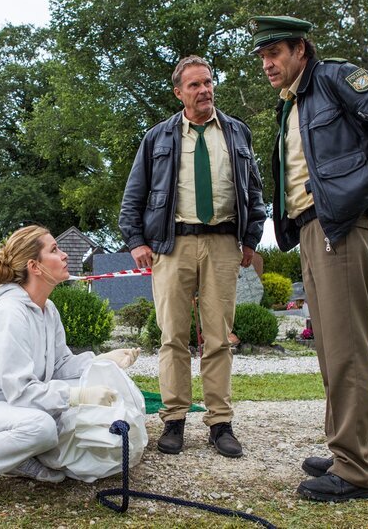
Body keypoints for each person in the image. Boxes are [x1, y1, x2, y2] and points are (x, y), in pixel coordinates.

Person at [247, 16, 368, 501]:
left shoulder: (333, 79)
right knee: (331, 351)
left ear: (301, 49)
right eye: (263, 56)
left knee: (345, 351)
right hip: (312, 229)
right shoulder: (296, 102)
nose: (268, 63)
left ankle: (356, 469)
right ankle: (356, 451)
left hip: (339, 228)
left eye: (276, 53)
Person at [119, 55, 266, 458]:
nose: (204, 90)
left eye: (208, 82)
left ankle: (221, 423)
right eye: (195, 85)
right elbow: (134, 196)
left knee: (219, 339)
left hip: (223, 244)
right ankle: (174, 420)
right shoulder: (157, 138)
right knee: (173, 337)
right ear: (179, 92)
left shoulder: (237, 133)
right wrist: (136, 241)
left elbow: (254, 194)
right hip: (172, 245)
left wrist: (250, 239)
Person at [0, 225, 141, 510]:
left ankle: (14, 460)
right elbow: (21, 393)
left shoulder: (48, 310)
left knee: (64, 418)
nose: (64, 255)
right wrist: (77, 396)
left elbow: (60, 365)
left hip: (7, 412)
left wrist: (102, 360)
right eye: (54, 250)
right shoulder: (10, 314)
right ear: (34, 266)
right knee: (44, 426)